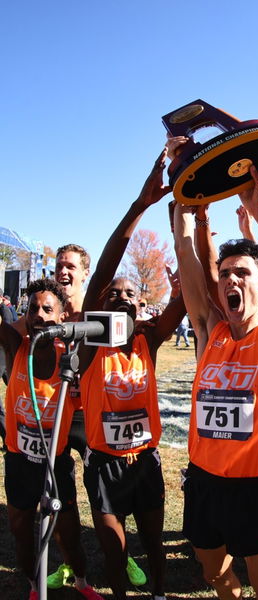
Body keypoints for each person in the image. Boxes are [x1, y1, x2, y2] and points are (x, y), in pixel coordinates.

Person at [173, 125, 258, 600]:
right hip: (205, 482)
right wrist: (185, 208)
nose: (231, 279)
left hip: (255, 487)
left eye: (242, 273)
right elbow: (190, 268)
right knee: (212, 573)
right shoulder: (210, 332)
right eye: (225, 273)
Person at [76, 149, 185, 600]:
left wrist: (185, 224)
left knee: (153, 545)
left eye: (130, 293)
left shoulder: (149, 339)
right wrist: (140, 206)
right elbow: (103, 268)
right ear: (103, 301)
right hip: (103, 466)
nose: (121, 297)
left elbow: (183, 299)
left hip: (145, 462)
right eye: (113, 293)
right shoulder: (89, 343)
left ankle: (158, 592)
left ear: (140, 303)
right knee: (114, 549)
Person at [0, 278, 103, 600]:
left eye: (47, 309)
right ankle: (33, 586)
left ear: (61, 318)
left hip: (55, 465)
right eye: (32, 309)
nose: (39, 315)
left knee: (68, 534)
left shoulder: (70, 357)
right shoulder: (16, 347)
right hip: (19, 462)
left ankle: (82, 582)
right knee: (21, 531)